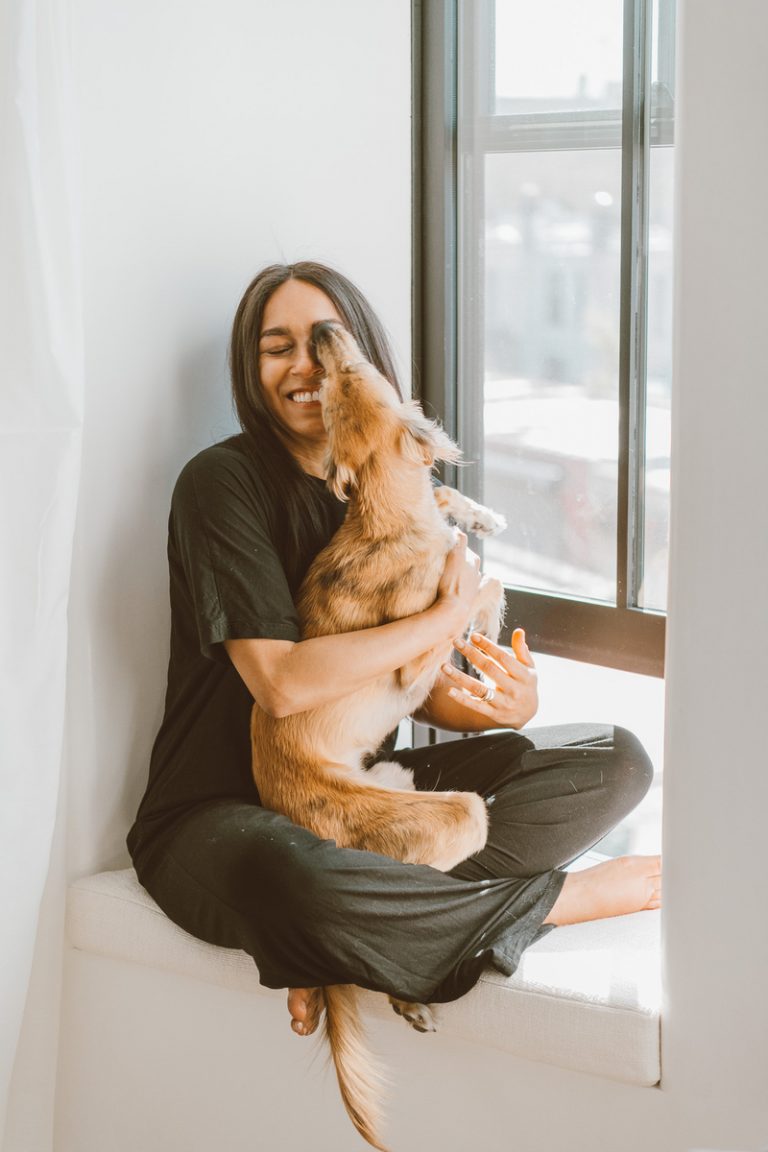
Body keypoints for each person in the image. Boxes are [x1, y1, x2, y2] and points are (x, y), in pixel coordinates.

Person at [127, 261, 661, 1038]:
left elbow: (405, 686)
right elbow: (281, 684)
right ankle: (547, 903)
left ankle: (373, 930)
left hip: (363, 794)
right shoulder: (221, 483)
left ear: (361, 360)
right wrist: (447, 617)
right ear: (251, 369)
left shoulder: (389, 482)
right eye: (277, 347)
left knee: (614, 757)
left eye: (325, 342)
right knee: (296, 883)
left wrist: (494, 708)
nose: (305, 366)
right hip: (220, 815)